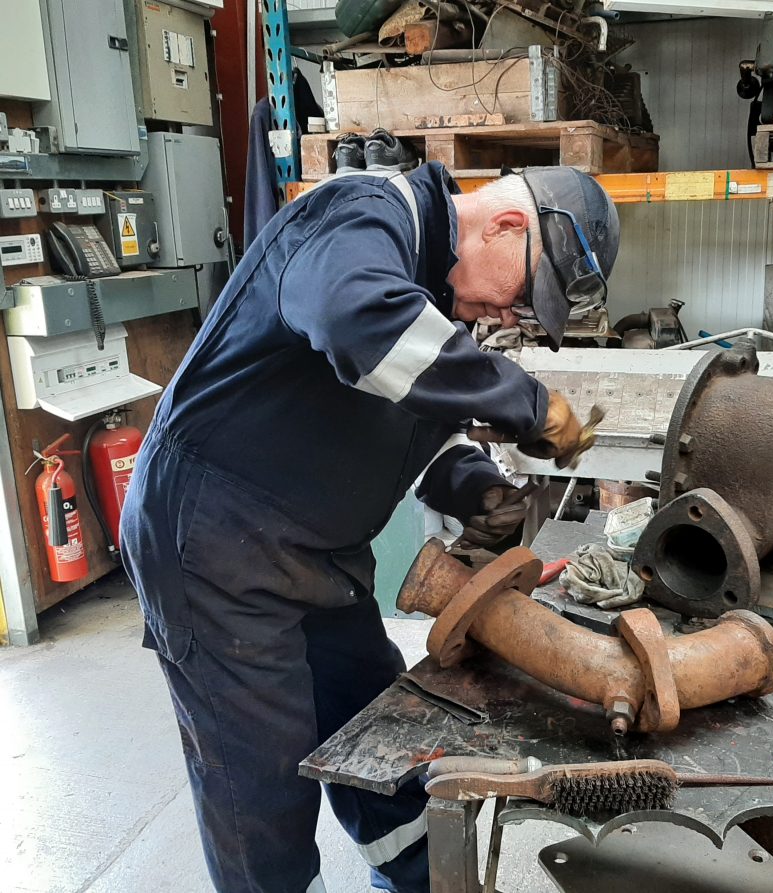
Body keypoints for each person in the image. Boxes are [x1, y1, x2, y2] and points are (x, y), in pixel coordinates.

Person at [119, 162, 620, 893]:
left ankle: (418, 880)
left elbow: (420, 426)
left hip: (316, 552)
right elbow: (360, 322)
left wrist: (481, 489)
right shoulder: (364, 215)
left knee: (382, 743)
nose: (514, 316)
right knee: (260, 784)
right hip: (214, 546)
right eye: (525, 294)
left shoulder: (441, 309)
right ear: (508, 226)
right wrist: (528, 402)